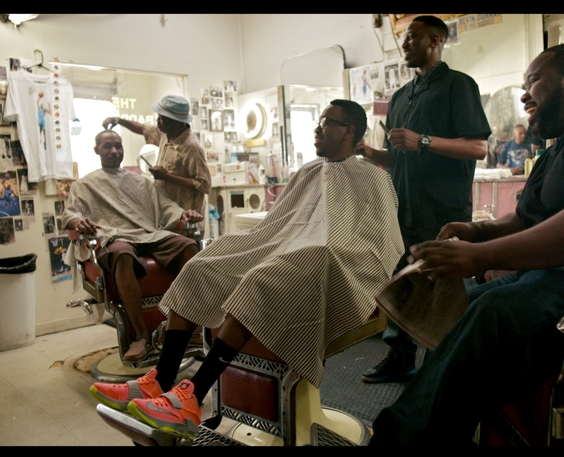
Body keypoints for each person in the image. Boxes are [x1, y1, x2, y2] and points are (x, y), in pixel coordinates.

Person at [369, 42, 564, 446]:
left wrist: (480, 255)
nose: (525, 95)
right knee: (467, 304)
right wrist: (478, 232)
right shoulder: (563, 145)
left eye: (533, 82)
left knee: (495, 313)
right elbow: (526, 218)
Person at [88, 99, 404, 438]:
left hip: (331, 265)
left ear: (349, 131)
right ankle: (161, 380)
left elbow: (378, 241)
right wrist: (268, 245)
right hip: (285, 251)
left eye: (326, 121)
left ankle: (192, 396)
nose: (318, 127)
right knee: (203, 265)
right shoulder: (309, 171)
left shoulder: (374, 178)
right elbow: (276, 226)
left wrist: (323, 249)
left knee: (262, 277)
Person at [357, 15, 491, 383]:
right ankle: (400, 357)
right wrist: (368, 152)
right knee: (402, 282)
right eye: (403, 38)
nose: (404, 44)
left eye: (412, 36)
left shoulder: (458, 85)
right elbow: (397, 158)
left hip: (442, 210)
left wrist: (424, 141)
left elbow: (478, 148)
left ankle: (438, 365)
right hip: (403, 207)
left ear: (435, 40)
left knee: (440, 290)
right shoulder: (401, 97)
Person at [62, 130, 203, 362]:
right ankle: (141, 335)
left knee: (189, 246)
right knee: (122, 253)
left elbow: (166, 207)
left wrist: (183, 214)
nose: (114, 151)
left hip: (148, 234)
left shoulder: (140, 181)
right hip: (115, 237)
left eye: (118, 146)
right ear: (96, 150)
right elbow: (71, 213)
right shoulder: (84, 185)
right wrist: (77, 222)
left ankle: (186, 326)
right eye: (107, 146)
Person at [102, 95, 211, 217]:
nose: (158, 121)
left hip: (186, 216)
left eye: (162, 118)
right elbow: (142, 129)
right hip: (167, 212)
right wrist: (119, 120)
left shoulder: (191, 147)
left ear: (176, 122)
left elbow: (204, 184)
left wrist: (166, 176)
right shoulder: (166, 134)